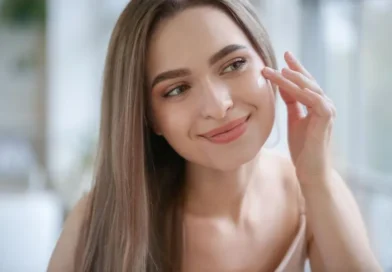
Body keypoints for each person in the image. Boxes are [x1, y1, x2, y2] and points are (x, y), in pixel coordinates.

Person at [47, 0, 382, 271]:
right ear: (149, 117)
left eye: (234, 65)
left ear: (267, 63)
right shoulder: (98, 221)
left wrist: (316, 179)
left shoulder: (313, 193)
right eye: (176, 89)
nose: (219, 106)